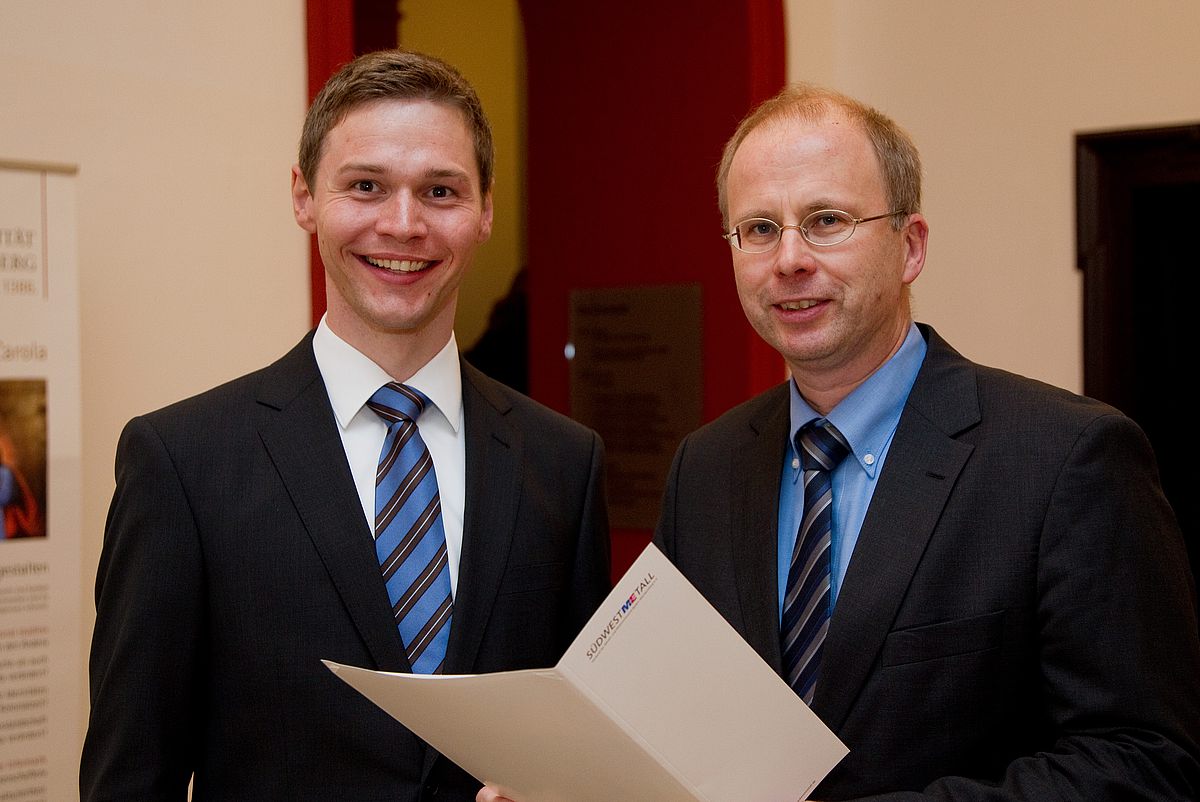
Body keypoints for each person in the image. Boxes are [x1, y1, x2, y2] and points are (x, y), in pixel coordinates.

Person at [477, 82, 1200, 802]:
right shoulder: (708, 467)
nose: (789, 259)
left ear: (910, 246)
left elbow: (1142, 762)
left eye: (826, 220)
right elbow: (673, 723)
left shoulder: (1065, 459)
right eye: (759, 228)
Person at [81, 49, 610, 801]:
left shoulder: (562, 463)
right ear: (303, 198)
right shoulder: (182, 464)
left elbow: (587, 747)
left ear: (486, 208)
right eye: (366, 186)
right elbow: (131, 778)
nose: (404, 224)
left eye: (441, 191)